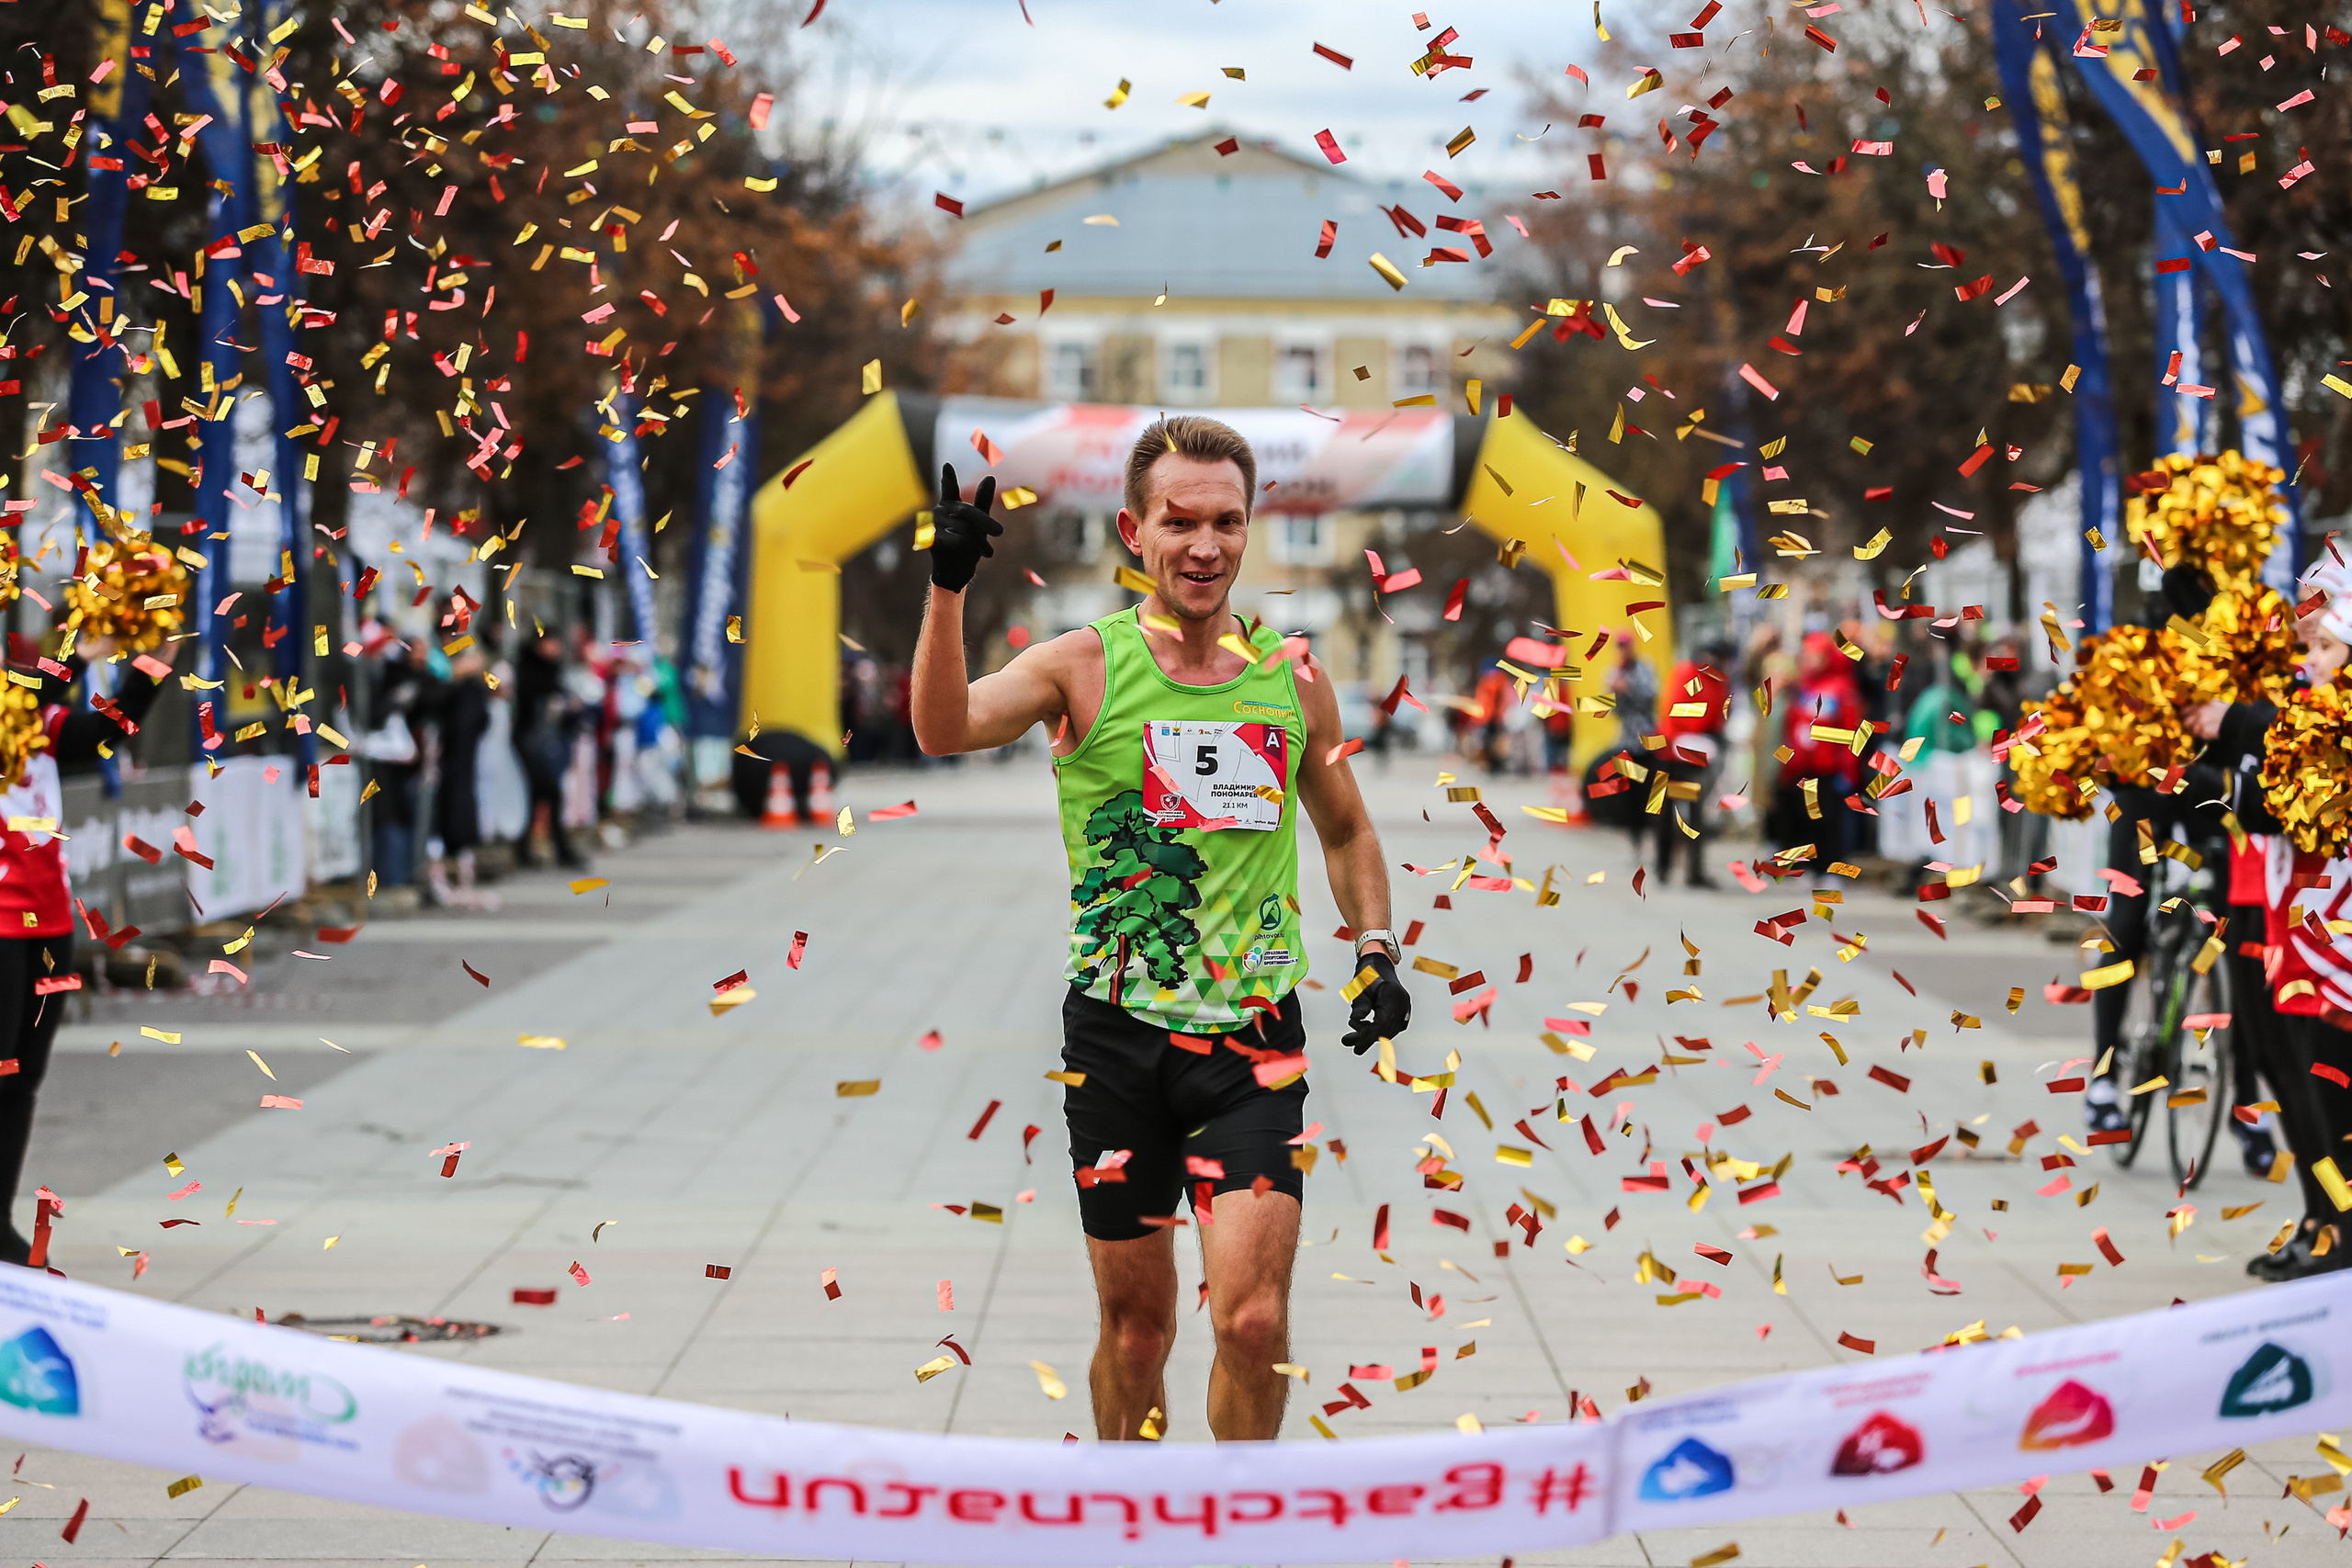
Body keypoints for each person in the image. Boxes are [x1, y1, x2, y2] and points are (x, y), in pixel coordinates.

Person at [909, 415, 1413, 1442]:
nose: (1204, 544)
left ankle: (1231, 1535)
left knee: (1253, 1317)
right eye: (1179, 521)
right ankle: (1131, 1524)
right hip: (1116, 1037)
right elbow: (941, 727)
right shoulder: (1079, 668)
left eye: (1226, 521)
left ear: (1248, 529)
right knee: (1138, 1333)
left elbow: (1349, 828)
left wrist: (1375, 952)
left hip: (1251, 1045)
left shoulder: (1293, 676)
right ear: (1135, 533)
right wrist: (946, 589)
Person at [2187, 558, 2352, 1276]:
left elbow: (2279, 805)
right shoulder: (2305, 712)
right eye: (2306, 646)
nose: (2306, 661)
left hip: (2332, 937)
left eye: (2322, 647)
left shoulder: (2325, 721)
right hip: (2299, 927)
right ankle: (2327, 1216)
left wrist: (2242, 733)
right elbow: (2257, 806)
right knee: (2295, 1068)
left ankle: (2339, 1225)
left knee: (2324, 1073)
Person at [0, 637, 164, 1264]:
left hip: (48, 922)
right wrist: (76, 638)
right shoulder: (21, 700)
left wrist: (151, 663)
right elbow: (32, 689)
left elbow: (101, 734)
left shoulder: (34, 711)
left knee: (23, 1081)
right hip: (1, 929)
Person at [1774, 630, 1863, 880]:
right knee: (1807, 817)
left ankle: (1832, 868)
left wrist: (1848, 768)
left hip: (1830, 768)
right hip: (1804, 767)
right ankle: (1812, 868)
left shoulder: (1842, 688)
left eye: (1816, 655)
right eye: (1808, 655)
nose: (1811, 660)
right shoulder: (1802, 687)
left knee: (1831, 821)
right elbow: (1790, 727)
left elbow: (1850, 730)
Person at [1647, 638, 1731, 887]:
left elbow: (1716, 715)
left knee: (1695, 815)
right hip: (1669, 752)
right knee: (1662, 811)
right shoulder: (1685, 672)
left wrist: (1715, 733)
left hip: (1693, 755)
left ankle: (1694, 872)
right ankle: (1662, 867)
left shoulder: (1718, 681)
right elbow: (1674, 708)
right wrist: (1698, 730)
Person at [514, 632, 586, 869]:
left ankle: (528, 848)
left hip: (546, 743)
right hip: (531, 743)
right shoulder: (530, 672)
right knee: (545, 793)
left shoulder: (553, 670)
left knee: (541, 796)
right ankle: (552, 848)